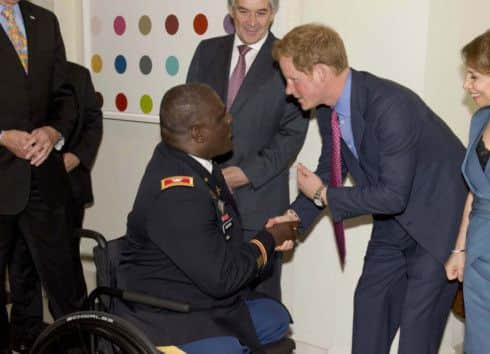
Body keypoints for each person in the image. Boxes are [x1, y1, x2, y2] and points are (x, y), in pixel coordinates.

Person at [269, 24, 468, 354]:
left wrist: (322, 195)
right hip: (393, 225)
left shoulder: (390, 106)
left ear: (319, 72)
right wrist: (293, 220)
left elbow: (391, 194)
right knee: (368, 318)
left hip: (438, 227)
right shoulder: (325, 110)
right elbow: (330, 170)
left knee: (416, 342)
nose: (289, 90)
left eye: (293, 79)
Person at [115, 83, 296, 354]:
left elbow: (223, 246)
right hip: (169, 314)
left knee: (277, 317)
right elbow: (222, 278)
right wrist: (268, 240)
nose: (230, 119)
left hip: (201, 295)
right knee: (234, 348)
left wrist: (268, 238)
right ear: (198, 133)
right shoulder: (178, 194)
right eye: (222, 116)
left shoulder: (197, 166)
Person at [186, 0, 308, 300]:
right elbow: (188, 118)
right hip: (206, 202)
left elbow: (292, 134)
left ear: (273, 13)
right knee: (207, 301)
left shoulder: (289, 60)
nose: (252, 21)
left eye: (261, 12)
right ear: (231, 11)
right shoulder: (207, 51)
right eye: (243, 11)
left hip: (260, 204)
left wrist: (245, 173)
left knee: (259, 306)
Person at [0, 1, 87, 353]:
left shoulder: (44, 20)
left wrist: (53, 132)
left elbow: (65, 93)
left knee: (66, 286)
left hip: (43, 177)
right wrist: (3, 137)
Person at [7, 61, 103, 353]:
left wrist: (74, 158)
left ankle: (78, 340)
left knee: (66, 271)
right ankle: (26, 334)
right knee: (21, 268)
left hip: (66, 189)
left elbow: (92, 121)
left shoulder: (75, 75)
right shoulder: (11, 84)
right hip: (17, 192)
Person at [445, 25, 490, 354]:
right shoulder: (480, 120)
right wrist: (459, 250)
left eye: (474, 77)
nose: (467, 86)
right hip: (480, 260)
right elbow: (474, 192)